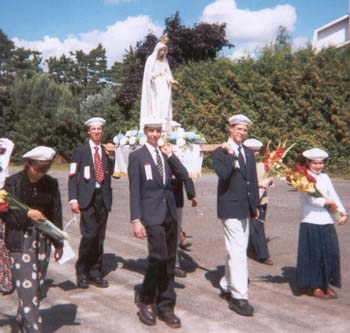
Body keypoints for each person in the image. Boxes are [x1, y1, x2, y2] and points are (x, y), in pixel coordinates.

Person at [128, 118, 190, 328]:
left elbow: (183, 175)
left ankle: (166, 305)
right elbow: (134, 191)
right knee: (158, 256)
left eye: (158, 131)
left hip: (170, 213)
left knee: (170, 260)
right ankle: (146, 298)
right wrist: (136, 219)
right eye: (151, 131)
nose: (155, 134)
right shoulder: (137, 157)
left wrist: (171, 156)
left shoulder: (166, 154)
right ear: (145, 131)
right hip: (151, 215)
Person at [1, 146, 63, 333]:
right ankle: (33, 327)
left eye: (45, 170)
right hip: (21, 239)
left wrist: (58, 242)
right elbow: (7, 216)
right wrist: (27, 213)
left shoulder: (51, 184)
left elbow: (55, 213)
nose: (40, 174)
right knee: (27, 286)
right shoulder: (12, 183)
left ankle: (21, 320)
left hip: (43, 239)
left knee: (35, 286)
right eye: (37, 169)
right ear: (27, 164)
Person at [212, 114, 259, 317]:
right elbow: (223, 175)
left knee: (237, 248)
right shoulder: (219, 152)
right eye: (238, 129)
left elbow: (253, 181)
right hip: (229, 207)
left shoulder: (248, 153)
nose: (241, 133)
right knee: (239, 251)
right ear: (230, 129)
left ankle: (226, 283)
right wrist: (230, 154)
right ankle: (239, 296)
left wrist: (255, 205)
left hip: (245, 208)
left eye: (244, 130)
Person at [68, 117, 115, 289]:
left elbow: (114, 172)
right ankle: (82, 271)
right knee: (89, 235)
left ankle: (95, 272)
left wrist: (112, 157)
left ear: (102, 131)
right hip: (86, 199)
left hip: (102, 198)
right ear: (88, 131)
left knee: (99, 237)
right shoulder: (80, 151)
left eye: (99, 129)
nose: (96, 132)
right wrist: (73, 199)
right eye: (93, 129)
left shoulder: (105, 151)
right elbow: (73, 176)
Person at [296, 148, 347, 299]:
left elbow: (333, 195)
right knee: (314, 253)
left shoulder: (325, 177)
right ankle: (314, 285)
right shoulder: (303, 178)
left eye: (321, 163)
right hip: (310, 219)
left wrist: (342, 212)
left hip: (325, 219)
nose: (318, 166)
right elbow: (311, 200)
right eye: (315, 163)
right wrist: (327, 201)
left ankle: (326, 283)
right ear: (308, 162)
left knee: (329, 252)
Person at [244, 138, 274, 265]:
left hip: (263, 200)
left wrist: (268, 181)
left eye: (257, 151)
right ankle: (263, 255)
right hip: (249, 200)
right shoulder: (243, 165)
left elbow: (271, 179)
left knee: (258, 225)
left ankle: (251, 249)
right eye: (253, 151)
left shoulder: (263, 165)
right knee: (256, 226)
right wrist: (257, 185)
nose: (256, 154)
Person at [139, 34, 178, 131]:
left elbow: (167, 73)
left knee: (165, 103)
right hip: (155, 86)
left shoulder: (165, 61)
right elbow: (148, 75)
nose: (163, 52)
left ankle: (165, 124)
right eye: (161, 50)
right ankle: (157, 123)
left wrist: (172, 80)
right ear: (157, 50)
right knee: (157, 103)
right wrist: (155, 74)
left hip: (164, 85)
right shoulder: (150, 60)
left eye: (164, 50)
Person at [172, 178, 198, 278]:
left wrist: (191, 194)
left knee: (175, 233)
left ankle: (175, 265)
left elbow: (186, 173)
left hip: (176, 198)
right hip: (157, 199)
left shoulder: (179, 161)